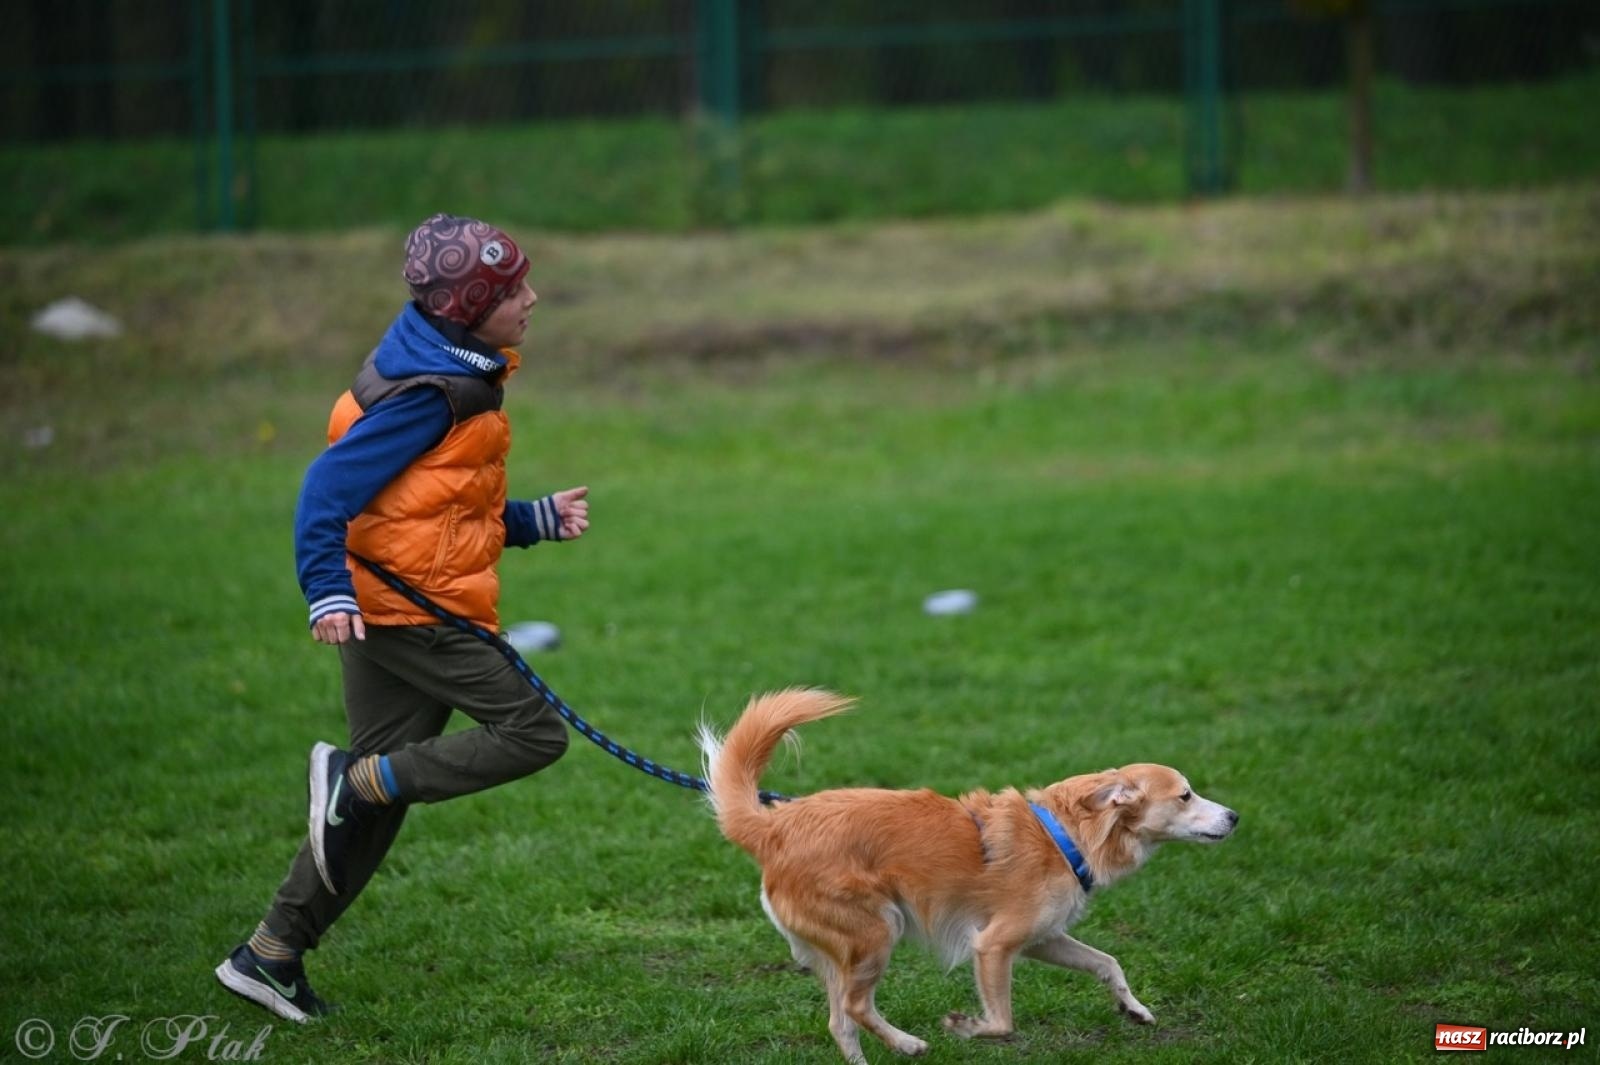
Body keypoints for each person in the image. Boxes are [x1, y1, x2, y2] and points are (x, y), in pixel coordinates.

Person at [215, 213, 586, 1022]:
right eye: (512, 290)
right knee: (532, 733)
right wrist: (328, 589)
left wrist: (529, 520)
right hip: (412, 614)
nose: (532, 298)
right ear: (467, 308)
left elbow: (427, 503)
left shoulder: (443, 362)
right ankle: (353, 778)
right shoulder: (434, 391)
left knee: (374, 800)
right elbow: (327, 488)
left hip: (394, 601)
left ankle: (271, 951)